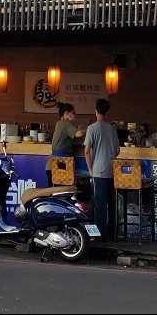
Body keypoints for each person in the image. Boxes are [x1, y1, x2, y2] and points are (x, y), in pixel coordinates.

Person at [84, 97, 120, 241]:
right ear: (107, 113)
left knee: (99, 205)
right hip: (112, 171)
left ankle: (99, 236)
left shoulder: (92, 128)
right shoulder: (112, 128)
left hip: (98, 171)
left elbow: (86, 151)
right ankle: (112, 234)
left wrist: (90, 169)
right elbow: (118, 150)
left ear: (96, 111)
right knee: (111, 204)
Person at [45, 102, 84, 185]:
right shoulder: (65, 123)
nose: (74, 115)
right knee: (60, 193)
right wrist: (90, 130)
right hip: (58, 166)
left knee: (55, 193)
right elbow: (78, 134)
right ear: (66, 113)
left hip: (53, 165)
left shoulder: (59, 124)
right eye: (73, 113)